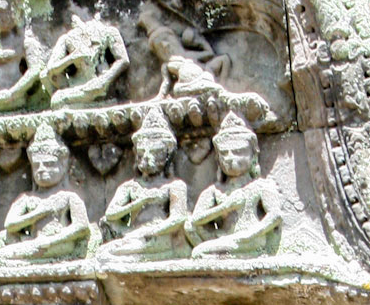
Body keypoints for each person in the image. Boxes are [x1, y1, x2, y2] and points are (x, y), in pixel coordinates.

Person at [0, 118, 97, 264]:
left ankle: (30, 264)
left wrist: (53, 239)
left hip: (59, 243)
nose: (42, 170)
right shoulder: (27, 198)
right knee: (0, 256)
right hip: (36, 242)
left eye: (49, 164)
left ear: (63, 165)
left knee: (2, 258)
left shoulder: (68, 197)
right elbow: (10, 224)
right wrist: (40, 212)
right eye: (37, 165)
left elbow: (81, 227)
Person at [184, 111, 282, 257]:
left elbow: (275, 216)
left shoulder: (260, 186)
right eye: (224, 153)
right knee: (188, 227)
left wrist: (250, 234)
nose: (230, 158)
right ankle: (220, 251)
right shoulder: (214, 191)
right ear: (217, 158)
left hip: (250, 237)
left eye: (238, 151)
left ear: (253, 155)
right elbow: (196, 221)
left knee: (199, 253)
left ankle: (221, 252)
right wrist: (225, 207)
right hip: (223, 237)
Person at [102, 105, 188, 258]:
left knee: (109, 255)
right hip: (134, 234)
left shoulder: (175, 186)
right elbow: (111, 214)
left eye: (155, 153)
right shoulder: (130, 186)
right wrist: (142, 201)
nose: (147, 159)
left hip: (160, 236)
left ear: (167, 156)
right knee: (104, 250)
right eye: (142, 153)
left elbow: (178, 218)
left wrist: (150, 231)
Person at [39, 0, 129, 109]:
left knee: (58, 100)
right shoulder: (67, 38)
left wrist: (104, 80)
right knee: (52, 91)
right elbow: (51, 69)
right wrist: (72, 58)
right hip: (74, 84)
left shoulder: (109, 31)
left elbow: (123, 60)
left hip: (97, 83)